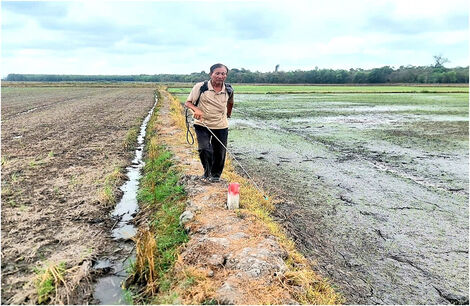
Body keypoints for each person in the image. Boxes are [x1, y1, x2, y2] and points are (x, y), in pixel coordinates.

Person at [185, 63, 234, 183]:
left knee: (220, 152)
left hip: (221, 125)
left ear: (226, 75)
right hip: (202, 124)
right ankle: (207, 173)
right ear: (211, 74)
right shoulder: (201, 87)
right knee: (204, 149)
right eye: (217, 73)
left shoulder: (228, 89)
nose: (220, 76)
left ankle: (216, 176)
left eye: (223, 74)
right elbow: (188, 103)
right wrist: (196, 110)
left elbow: (230, 103)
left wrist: (228, 114)